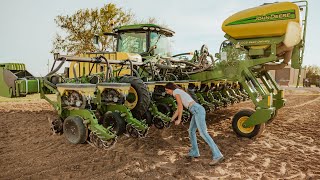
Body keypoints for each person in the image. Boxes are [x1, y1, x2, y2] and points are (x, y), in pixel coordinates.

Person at [164, 82, 224, 166]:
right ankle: (195, 152)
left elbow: (180, 107)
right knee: (191, 131)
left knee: (203, 133)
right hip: (196, 110)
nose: (167, 92)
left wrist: (179, 119)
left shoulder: (175, 92)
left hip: (197, 110)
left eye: (167, 90)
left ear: (171, 89)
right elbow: (178, 109)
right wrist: (171, 119)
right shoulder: (179, 91)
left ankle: (218, 155)